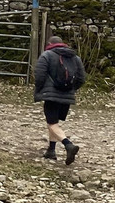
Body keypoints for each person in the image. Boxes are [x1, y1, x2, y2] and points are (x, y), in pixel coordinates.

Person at [33, 35, 87, 164]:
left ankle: (68, 145)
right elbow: (81, 79)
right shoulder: (75, 57)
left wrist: (40, 89)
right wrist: (71, 89)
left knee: (52, 123)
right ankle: (51, 150)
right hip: (67, 96)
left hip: (51, 95)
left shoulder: (47, 55)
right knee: (54, 122)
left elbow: (39, 75)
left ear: (49, 43)